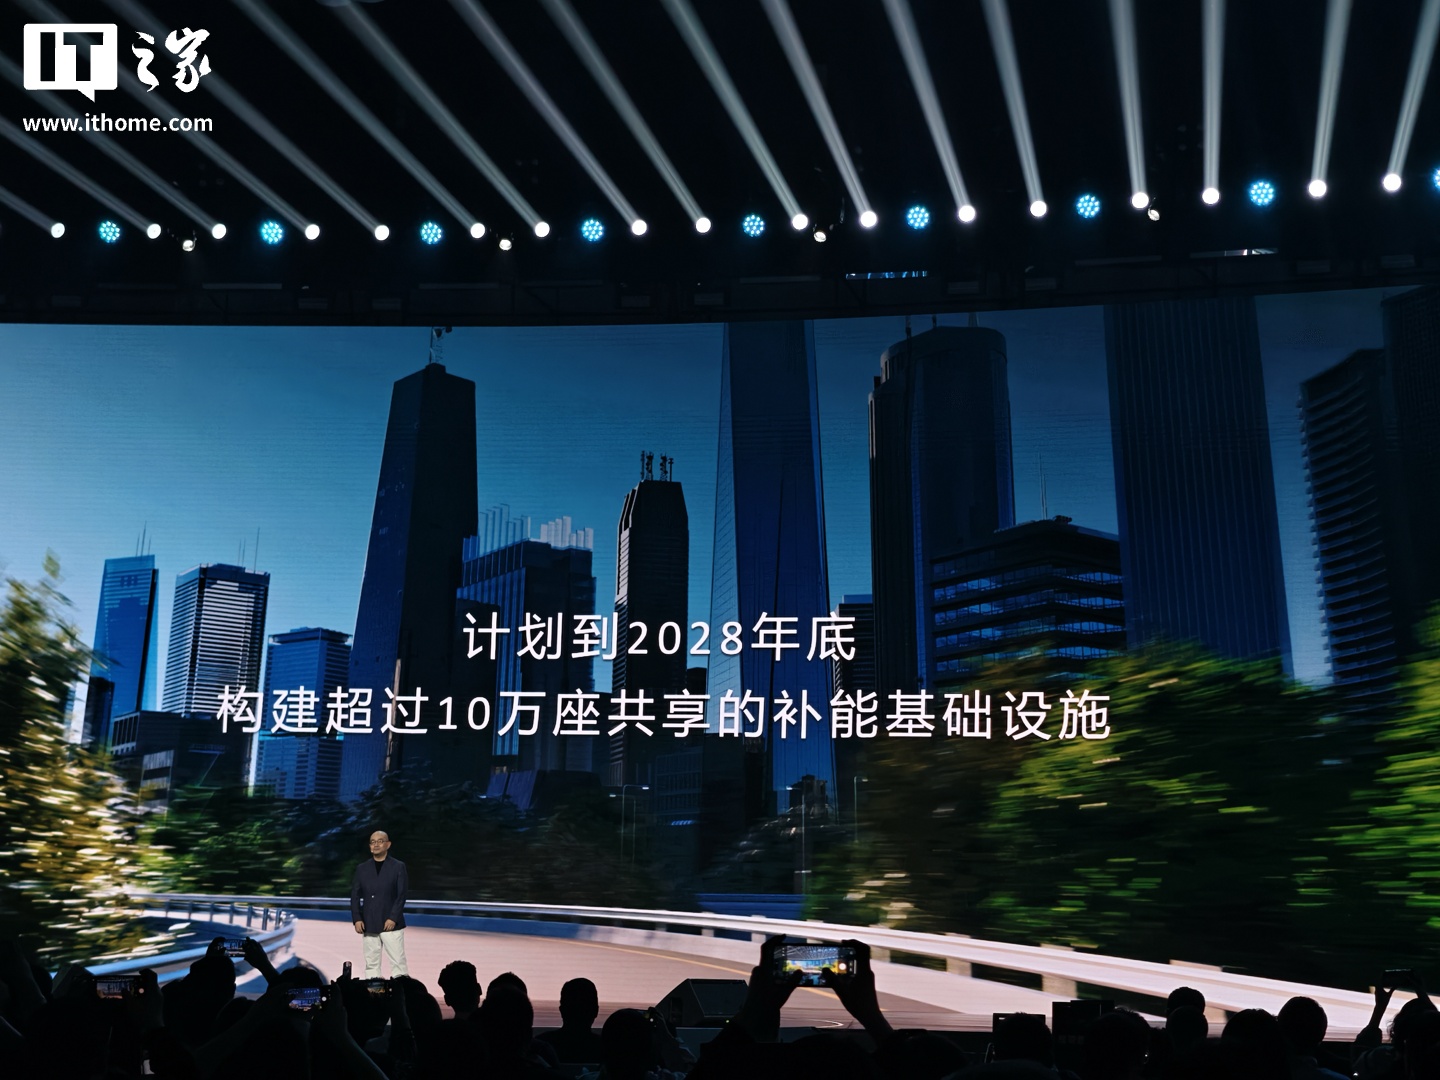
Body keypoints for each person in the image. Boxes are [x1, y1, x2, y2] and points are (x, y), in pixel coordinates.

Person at [350, 830, 408, 978]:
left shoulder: (398, 866)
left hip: (391, 924)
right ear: (370, 846)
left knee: (398, 962)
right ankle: (373, 990)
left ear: (388, 844)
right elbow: (355, 895)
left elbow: (401, 895)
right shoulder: (362, 868)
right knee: (371, 964)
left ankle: (402, 990)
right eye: (373, 842)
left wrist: (393, 918)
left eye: (380, 841)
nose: (376, 845)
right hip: (368, 923)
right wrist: (357, 919)